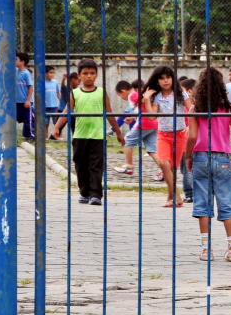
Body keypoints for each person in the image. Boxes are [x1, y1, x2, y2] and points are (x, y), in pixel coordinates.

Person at [185, 67, 231, 262]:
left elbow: (192, 136)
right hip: (223, 159)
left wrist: (188, 156)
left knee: (203, 204)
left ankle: (206, 249)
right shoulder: (229, 109)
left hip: (201, 157)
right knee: (226, 203)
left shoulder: (196, 109)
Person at [52, 58, 125, 205]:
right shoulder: (75, 93)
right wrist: (56, 127)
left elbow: (109, 113)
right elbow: (67, 111)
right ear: (79, 76)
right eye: (85, 73)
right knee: (80, 165)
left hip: (98, 136)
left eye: (92, 73)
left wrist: (118, 132)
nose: (89, 76)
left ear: (96, 75)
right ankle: (84, 193)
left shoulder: (102, 93)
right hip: (80, 135)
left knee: (96, 166)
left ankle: (96, 194)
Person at [142, 65, 190, 208]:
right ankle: (177, 195)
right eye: (162, 78)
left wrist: (190, 126)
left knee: (173, 168)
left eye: (168, 77)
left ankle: (171, 198)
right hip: (163, 135)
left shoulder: (181, 94)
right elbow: (152, 118)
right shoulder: (156, 97)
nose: (166, 81)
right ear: (157, 81)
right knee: (164, 163)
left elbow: (192, 109)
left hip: (180, 135)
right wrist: (146, 99)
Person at [115, 78, 159, 176]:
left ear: (123, 91)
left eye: (119, 95)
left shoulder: (132, 95)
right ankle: (165, 170)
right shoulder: (136, 94)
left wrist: (146, 97)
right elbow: (142, 109)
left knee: (127, 141)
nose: (121, 97)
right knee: (152, 149)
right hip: (153, 123)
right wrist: (133, 118)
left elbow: (144, 101)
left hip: (144, 123)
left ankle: (129, 167)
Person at [178, 78, 197, 203]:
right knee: (185, 169)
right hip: (186, 142)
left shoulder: (188, 107)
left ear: (189, 91)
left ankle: (189, 193)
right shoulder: (194, 107)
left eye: (182, 91)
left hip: (186, 142)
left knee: (187, 169)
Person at [15, 51, 34, 141]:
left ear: (22, 62)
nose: (14, 61)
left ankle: (30, 136)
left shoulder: (26, 73)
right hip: (16, 102)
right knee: (15, 118)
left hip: (25, 101)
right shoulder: (15, 71)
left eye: (16, 59)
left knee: (28, 120)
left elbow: (30, 87)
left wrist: (28, 100)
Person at [43, 66, 62, 134]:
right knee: (45, 124)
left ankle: (59, 136)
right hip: (45, 107)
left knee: (57, 123)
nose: (52, 74)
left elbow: (58, 92)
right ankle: (45, 138)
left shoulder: (55, 82)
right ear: (45, 73)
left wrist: (61, 101)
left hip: (55, 106)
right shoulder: (42, 83)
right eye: (51, 73)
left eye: (53, 73)